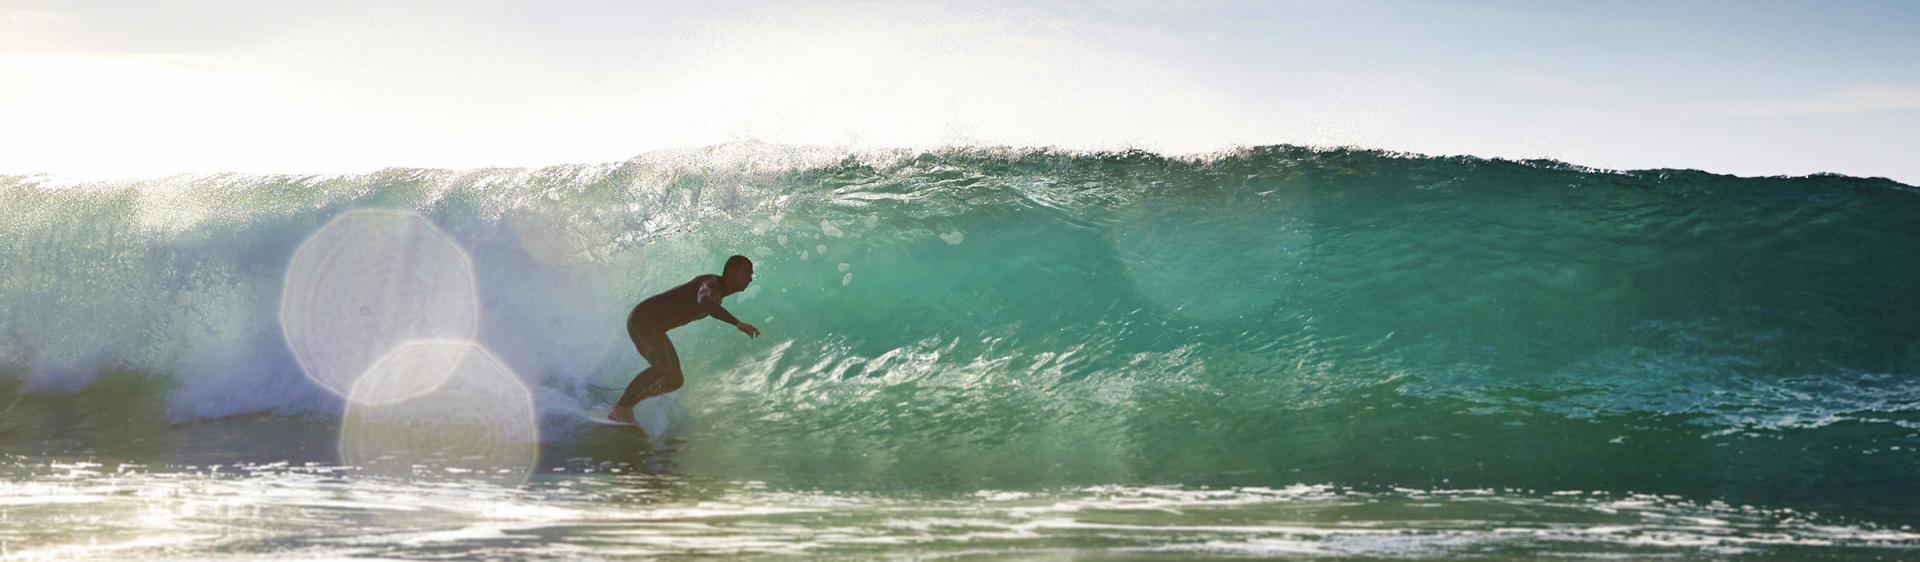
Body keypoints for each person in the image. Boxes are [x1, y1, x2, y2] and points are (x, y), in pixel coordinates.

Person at [608, 255, 760, 426]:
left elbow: (708, 303)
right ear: (730, 271)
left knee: (674, 379)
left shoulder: (718, 294)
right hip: (645, 318)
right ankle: (621, 407)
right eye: (745, 272)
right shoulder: (712, 283)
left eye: (751, 274)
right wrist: (737, 323)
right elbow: (704, 300)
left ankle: (627, 406)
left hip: (650, 325)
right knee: (663, 368)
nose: (749, 278)